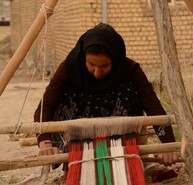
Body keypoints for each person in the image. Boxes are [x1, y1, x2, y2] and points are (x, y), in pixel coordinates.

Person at [34, 23, 178, 179]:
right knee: (66, 95)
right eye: (91, 65)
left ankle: (132, 157)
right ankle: (74, 162)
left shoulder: (130, 70)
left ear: (115, 59)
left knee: (129, 91)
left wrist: (167, 144)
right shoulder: (69, 68)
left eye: (104, 66)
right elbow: (45, 107)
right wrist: (45, 143)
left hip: (119, 132)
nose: (97, 72)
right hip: (79, 131)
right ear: (83, 57)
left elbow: (153, 107)